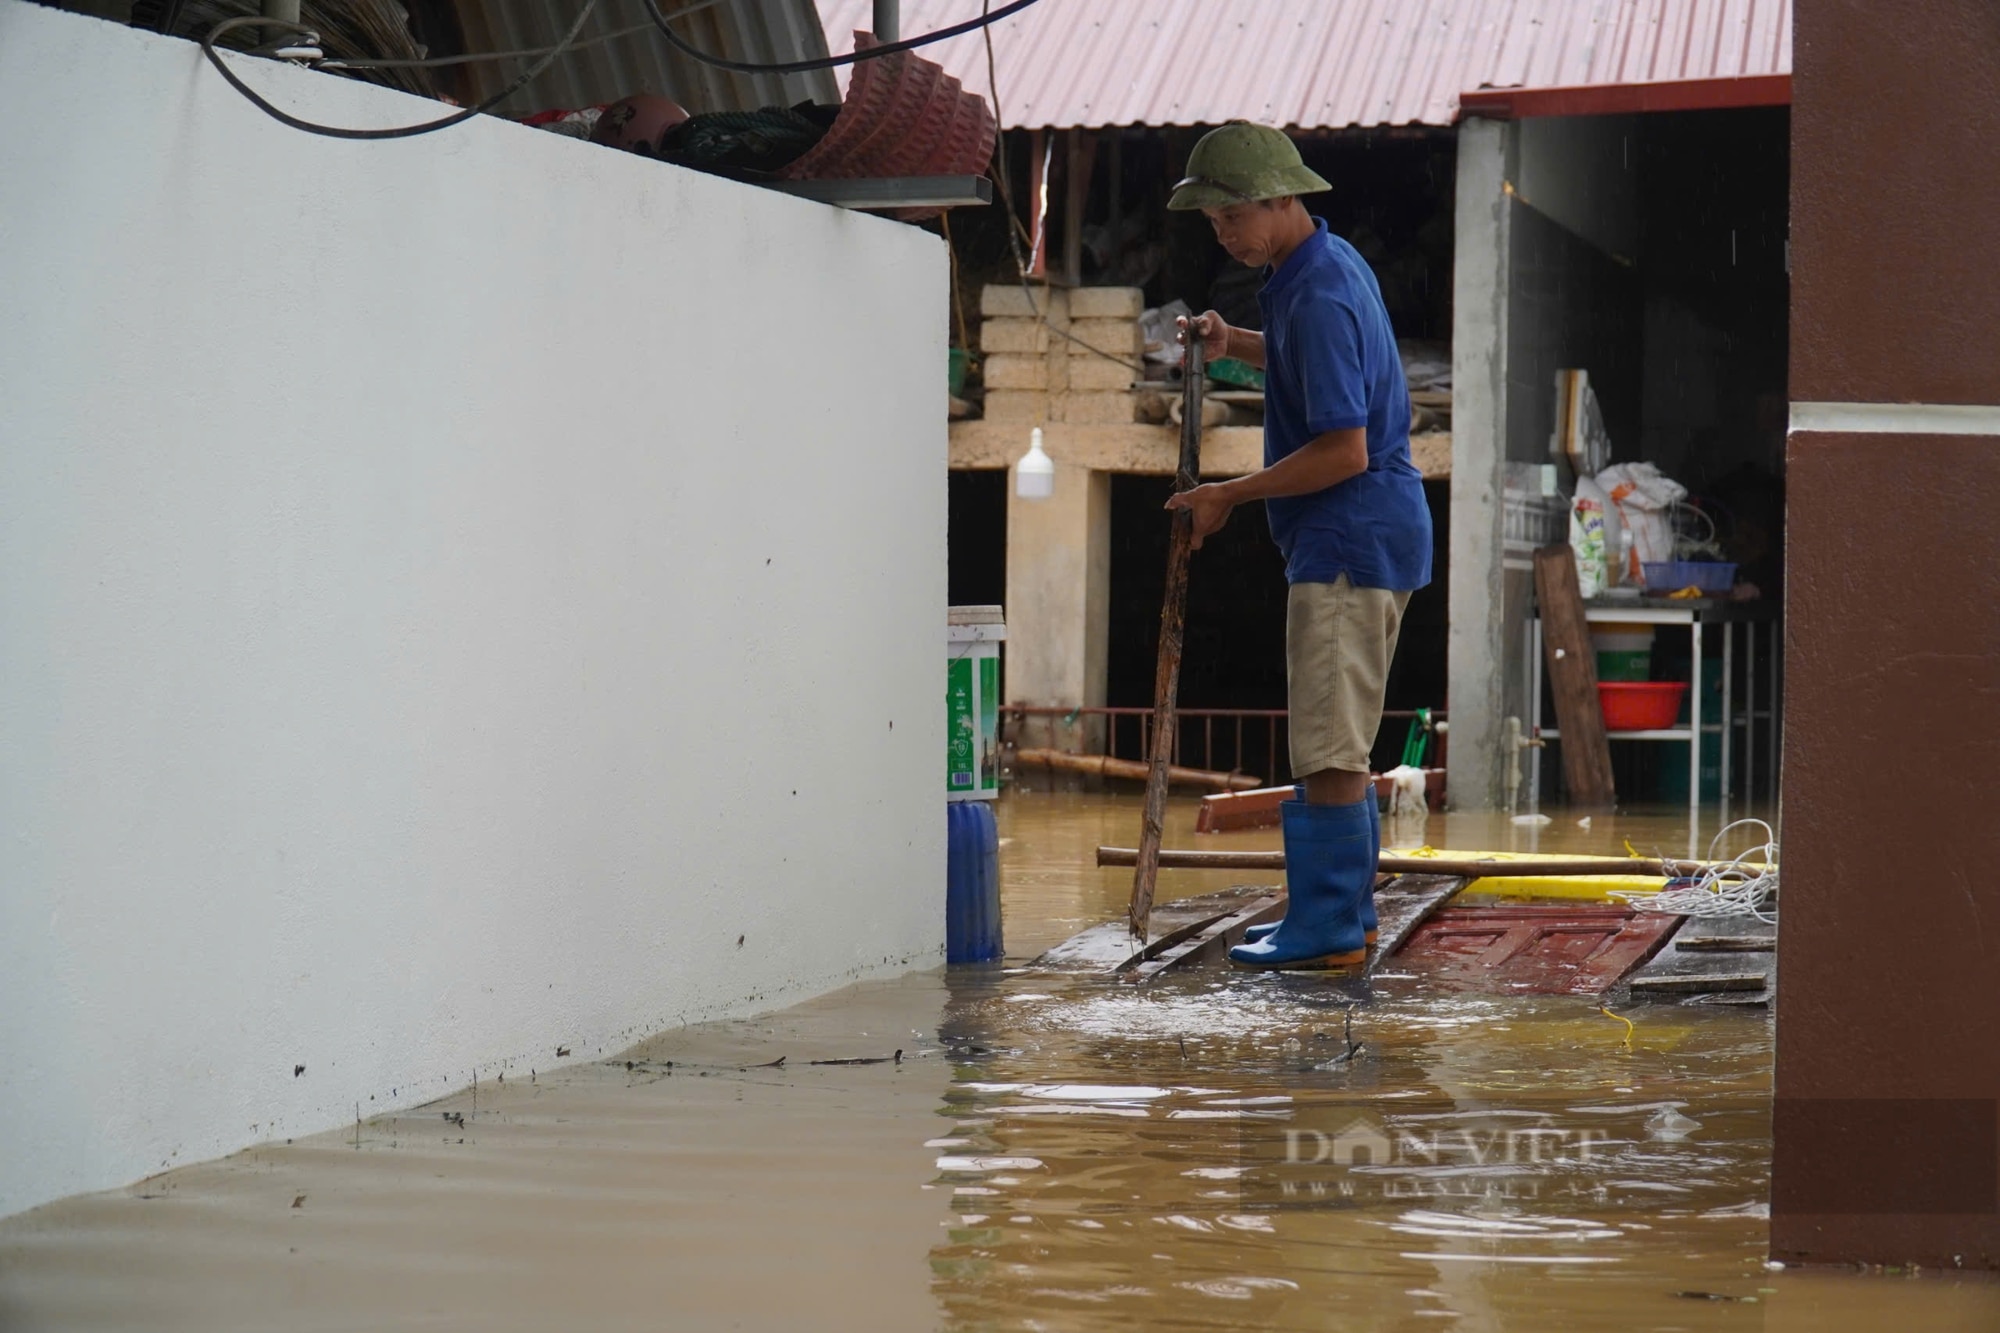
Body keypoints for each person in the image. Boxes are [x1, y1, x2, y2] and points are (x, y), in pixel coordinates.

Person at [1164, 122, 1432, 970]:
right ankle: (1342, 917)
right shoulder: (1318, 265)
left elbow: (1343, 446)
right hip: (1369, 531)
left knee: (1326, 744)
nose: (1225, 235)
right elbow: (1304, 361)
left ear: (1285, 199)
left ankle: (1324, 927)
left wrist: (1229, 496)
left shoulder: (1314, 291)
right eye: (1212, 225)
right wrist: (1230, 341)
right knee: (1337, 739)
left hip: (1346, 539)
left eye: (1233, 217)